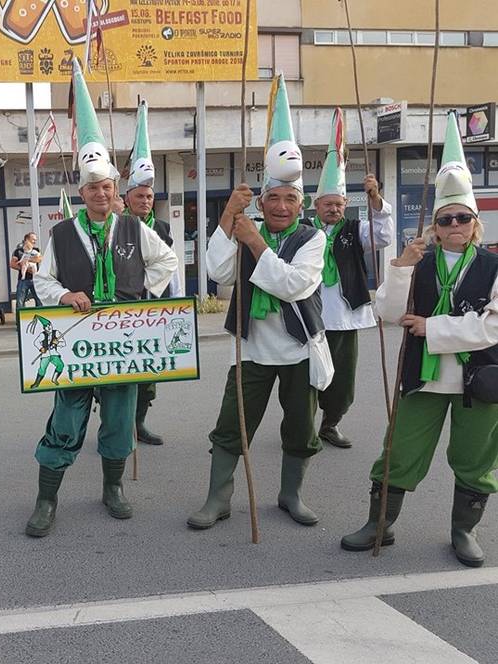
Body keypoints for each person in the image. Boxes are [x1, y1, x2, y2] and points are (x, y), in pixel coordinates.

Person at [25, 59, 177, 538]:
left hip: (122, 340)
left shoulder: (133, 227)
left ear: (116, 190)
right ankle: (46, 499)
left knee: (117, 423)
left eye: (107, 187)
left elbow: (167, 264)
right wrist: (66, 293)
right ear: (83, 190)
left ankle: (113, 489)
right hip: (76, 343)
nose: (100, 193)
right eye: (93, 187)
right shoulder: (64, 233)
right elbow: (42, 279)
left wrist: (139, 300)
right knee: (66, 422)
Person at [341, 112, 498, 567]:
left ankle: (463, 531)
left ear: (474, 222)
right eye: (446, 219)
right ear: (435, 223)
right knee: (401, 450)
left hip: (479, 381)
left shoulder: (492, 268)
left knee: (475, 459)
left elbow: (492, 326)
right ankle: (380, 524)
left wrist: (433, 327)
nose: (454, 226)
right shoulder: (418, 261)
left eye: (462, 218)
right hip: (423, 378)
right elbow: (387, 314)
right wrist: (400, 268)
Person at [187, 75, 331, 531]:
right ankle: (219, 498)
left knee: (300, 430)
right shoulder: (247, 228)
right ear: (263, 201)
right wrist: (230, 219)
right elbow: (218, 273)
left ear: (300, 202)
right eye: (274, 198)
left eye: (290, 198)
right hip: (251, 350)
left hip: (298, 350)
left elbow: (295, 286)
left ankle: (291, 495)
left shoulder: (313, 239)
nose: (282, 206)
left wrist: (256, 244)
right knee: (231, 425)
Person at [311, 108, 395, 449]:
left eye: (339, 204)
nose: (334, 209)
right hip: (310, 318)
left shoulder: (355, 229)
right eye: (328, 204)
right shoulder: (304, 233)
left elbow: (384, 236)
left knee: (342, 381)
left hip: (344, 319)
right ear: (315, 205)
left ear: (346, 205)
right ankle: (303, 425)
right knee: (306, 378)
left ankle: (330, 424)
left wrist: (376, 200)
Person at [124, 99, 182, 446]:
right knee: (121, 371)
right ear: (127, 197)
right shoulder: (117, 226)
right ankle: (120, 424)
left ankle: (139, 422)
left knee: (148, 374)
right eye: (139, 195)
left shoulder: (161, 227)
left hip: (152, 307)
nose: (145, 200)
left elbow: (170, 266)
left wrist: (174, 302)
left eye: (149, 195)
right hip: (123, 308)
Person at [10, 232, 42, 308]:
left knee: (39, 300)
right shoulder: (18, 251)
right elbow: (12, 264)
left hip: (35, 280)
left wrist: (26, 259)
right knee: (20, 301)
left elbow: (40, 259)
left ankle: (40, 317)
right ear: (27, 240)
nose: (34, 242)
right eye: (33, 240)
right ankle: (21, 319)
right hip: (23, 280)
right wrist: (26, 269)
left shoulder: (36, 249)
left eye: (35, 240)